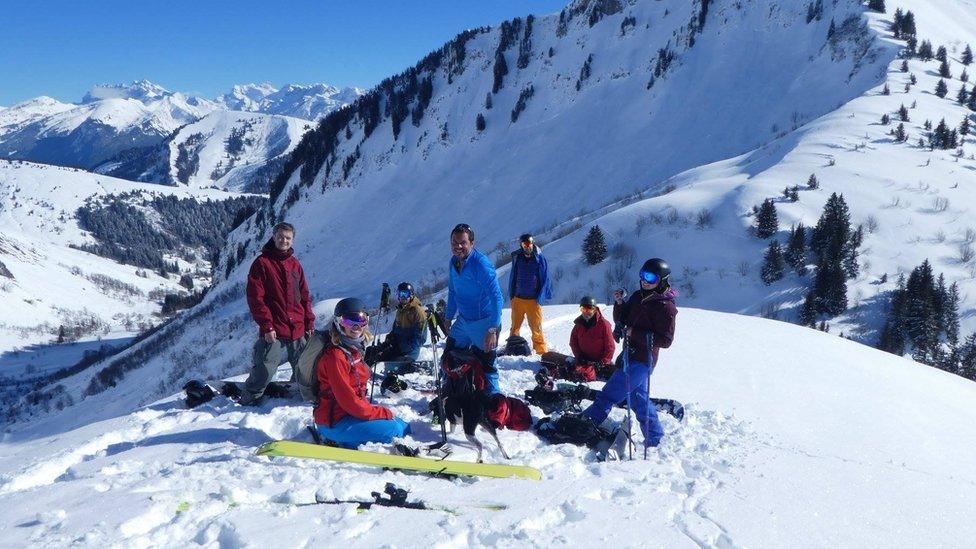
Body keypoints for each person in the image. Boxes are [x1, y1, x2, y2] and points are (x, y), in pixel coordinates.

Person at [582, 258, 677, 448]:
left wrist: (636, 333)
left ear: (662, 280)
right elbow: (623, 318)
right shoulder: (638, 296)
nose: (645, 280)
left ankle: (587, 422)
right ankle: (655, 437)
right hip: (629, 355)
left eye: (650, 277)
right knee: (638, 400)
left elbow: (665, 341)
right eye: (642, 275)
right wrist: (619, 303)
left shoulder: (666, 308)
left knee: (609, 394)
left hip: (643, 360)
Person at [314, 298, 410, 448]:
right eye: (349, 321)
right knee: (395, 429)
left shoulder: (354, 350)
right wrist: (379, 412)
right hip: (334, 422)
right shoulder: (336, 356)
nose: (356, 326)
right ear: (339, 323)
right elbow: (349, 402)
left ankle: (350, 438)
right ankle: (337, 440)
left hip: (349, 414)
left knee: (403, 425)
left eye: (360, 320)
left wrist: (378, 412)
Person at [242, 222, 315, 404]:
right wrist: (266, 325)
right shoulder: (262, 264)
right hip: (274, 328)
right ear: (274, 237)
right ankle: (251, 397)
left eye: (288, 238)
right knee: (265, 369)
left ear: (292, 240)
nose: (284, 240)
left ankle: (306, 394)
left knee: (306, 369)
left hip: (297, 327)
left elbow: (304, 296)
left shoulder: (294, 265)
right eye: (281, 237)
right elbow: (255, 298)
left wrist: (309, 322)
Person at [444, 223, 504, 394]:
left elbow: (497, 297)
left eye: (462, 242)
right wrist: (448, 317)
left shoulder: (480, 264)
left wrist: (493, 328)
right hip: (463, 321)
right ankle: (453, 388)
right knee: (451, 354)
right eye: (455, 242)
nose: (458, 246)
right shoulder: (454, 262)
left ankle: (494, 403)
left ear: (472, 243)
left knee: (487, 365)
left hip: (483, 323)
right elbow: (453, 291)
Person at [508, 234, 553, 354]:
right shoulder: (518, 258)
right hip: (518, 298)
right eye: (524, 244)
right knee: (514, 327)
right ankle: (512, 347)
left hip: (533, 300)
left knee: (536, 328)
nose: (527, 246)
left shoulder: (539, 258)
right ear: (521, 245)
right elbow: (513, 276)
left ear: (533, 243)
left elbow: (546, 278)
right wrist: (512, 295)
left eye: (529, 243)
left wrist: (541, 297)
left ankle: (540, 351)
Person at [371, 282, 428, 368]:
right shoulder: (400, 310)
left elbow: (420, 338)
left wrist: (401, 346)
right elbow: (396, 330)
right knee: (371, 353)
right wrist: (390, 338)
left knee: (390, 365)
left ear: (411, 295)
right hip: (397, 346)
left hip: (409, 352)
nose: (402, 297)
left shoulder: (417, 311)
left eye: (405, 294)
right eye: (400, 294)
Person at [570, 296, 616, 378]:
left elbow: (610, 347)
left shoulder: (604, 325)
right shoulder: (579, 324)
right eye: (583, 309)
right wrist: (579, 356)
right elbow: (573, 342)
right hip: (584, 360)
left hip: (600, 363)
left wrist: (603, 362)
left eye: (589, 309)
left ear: (595, 309)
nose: (586, 312)